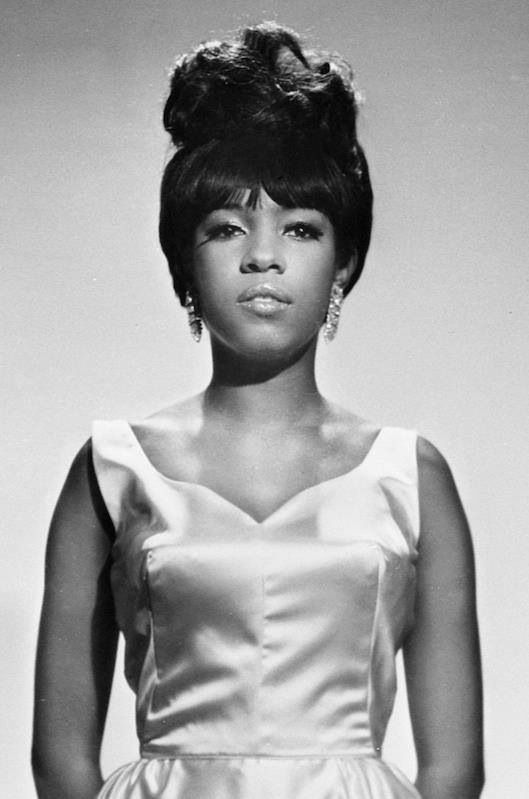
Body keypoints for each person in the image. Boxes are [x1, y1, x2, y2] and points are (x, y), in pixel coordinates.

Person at [32, 22, 484, 799]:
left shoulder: (410, 476)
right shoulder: (111, 470)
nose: (262, 256)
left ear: (342, 259)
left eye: (300, 228)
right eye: (227, 227)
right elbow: (60, 763)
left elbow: (454, 771)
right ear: (183, 263)